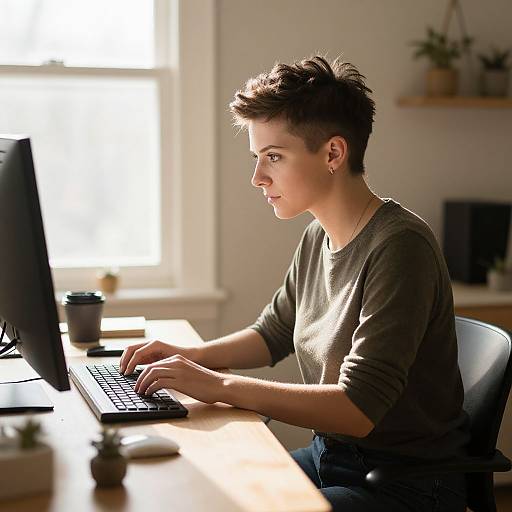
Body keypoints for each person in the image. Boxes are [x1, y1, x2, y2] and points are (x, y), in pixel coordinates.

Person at [119, 55, 469, 511]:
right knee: (200, 491)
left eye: (273, 157)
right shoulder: (317, 235)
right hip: (333, 457)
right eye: (257, 158)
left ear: (333, 154)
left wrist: (217, 385)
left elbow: (358, 409)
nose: (257, 177)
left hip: (404, 484)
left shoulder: (401, 247)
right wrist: (188, 356)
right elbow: (273, 334)